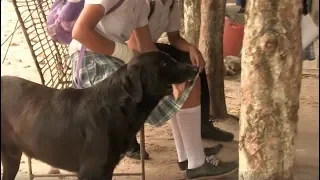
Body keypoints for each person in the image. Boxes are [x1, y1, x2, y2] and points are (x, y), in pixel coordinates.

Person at [50, 0, 237, 178]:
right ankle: (195, 162)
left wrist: (171, 73)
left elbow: (147, 47)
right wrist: (127, 55)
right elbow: (80, 32)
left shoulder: (139, 4)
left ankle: (189, 158)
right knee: (186, 85)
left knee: (186, 78)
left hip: (115, 60)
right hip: (91, 64)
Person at [126, 0, 237, 179]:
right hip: (130, 58)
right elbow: (136, 45)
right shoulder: (145, 3)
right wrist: (170, 72)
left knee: (190, 66)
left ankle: (187, 156)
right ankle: (196, 163)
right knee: (187, 80)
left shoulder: (171, 3)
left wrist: (192, 49)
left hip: (145, 53)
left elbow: (174, 38)